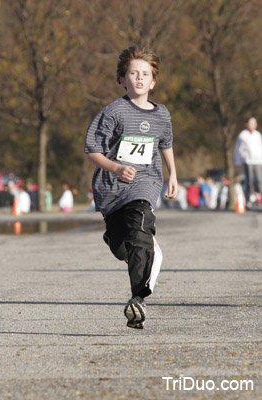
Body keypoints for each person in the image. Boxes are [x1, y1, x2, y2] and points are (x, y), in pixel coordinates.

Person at [84, 46, 178, 329]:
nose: (139, 78)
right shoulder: (113, 113)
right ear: (122, 79)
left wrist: (173, 174)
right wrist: (115, 167)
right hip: (113, 188)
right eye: (133, 73)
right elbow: (92, 150)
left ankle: (138, 298)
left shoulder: (162, 115)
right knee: (122, 244)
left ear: (153, 82)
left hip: (145, 183)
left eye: (145, 74)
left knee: (140, 229)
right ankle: (119, 239)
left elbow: (166, 144)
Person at [234, 117, 262, 205]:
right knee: (248, 181)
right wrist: (237, 161)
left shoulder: (258, 134)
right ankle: (248, 199)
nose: (253, 124)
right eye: (251, 123)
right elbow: (238, 149)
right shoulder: (243, 135)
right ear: (246, 124)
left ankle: (260, 197)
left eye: (255, 123)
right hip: (248, 161)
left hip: (258, 161)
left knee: (260, 180)